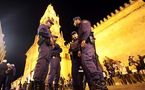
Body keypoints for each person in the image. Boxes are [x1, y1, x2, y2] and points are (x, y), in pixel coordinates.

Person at [73, 16, 108, 90]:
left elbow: (87, 31)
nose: (74, 24)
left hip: (87, 46)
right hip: (87, 47)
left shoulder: (84, 23)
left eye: (74, 22)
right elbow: (80, 40)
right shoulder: (80, 28)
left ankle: (98, 82)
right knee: (94, 64)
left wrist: (84, 40)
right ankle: (101, 83)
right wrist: (79, 50)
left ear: (77, 20)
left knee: (88, 61)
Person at [33, 18, 54, 90]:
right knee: (41, 62)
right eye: (50, 23)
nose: (51, 25)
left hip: (49, 48)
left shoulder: (50, 31)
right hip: (44, 46)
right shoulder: (42, 26)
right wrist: (49, 37)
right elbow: (40, 32)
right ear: (47, 22)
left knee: (46, 65)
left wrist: (52, 43)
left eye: (52, 24)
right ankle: (37, 81)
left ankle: (42, 81)